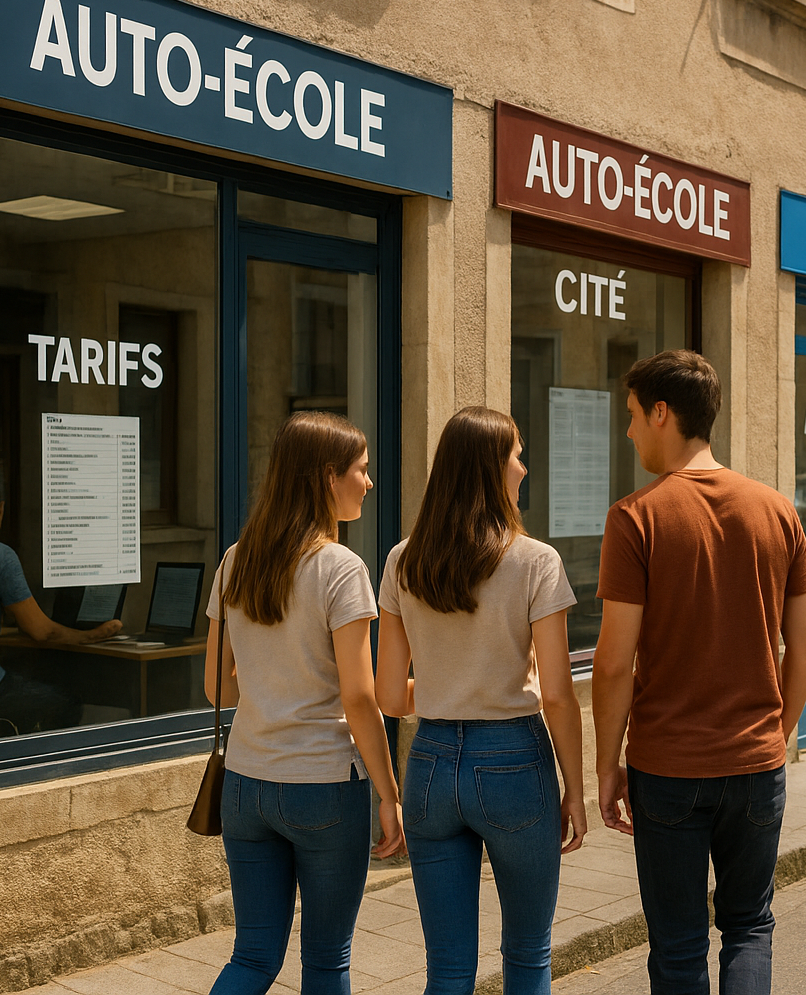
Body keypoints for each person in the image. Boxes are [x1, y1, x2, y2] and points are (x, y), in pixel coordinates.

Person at [592, 350, 806, 995]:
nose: (630, 430)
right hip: (756, 764)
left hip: (667, 769)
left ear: (663, 413)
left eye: (634, 415)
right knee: (749, 925)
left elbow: (613, 662)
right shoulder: (777, 510)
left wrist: (606, 765)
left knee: (677, 942)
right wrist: (777, 733)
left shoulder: (635, 516)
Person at [376, 406, 586, 995]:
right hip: (515, 762)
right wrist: (575, 787)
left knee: (446, 970)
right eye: (518, 455)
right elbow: (560, 697)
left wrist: (450, 686)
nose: (525, 466)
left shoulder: (402, 560)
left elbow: (390, 695)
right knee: (526, 956)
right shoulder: (535, 561)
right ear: (494, 467)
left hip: (432, 763)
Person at [204, 411, 403, 995]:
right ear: (326, 476)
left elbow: (218, 689)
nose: (368, 482)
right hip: (323, 787)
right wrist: (388, 794)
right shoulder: (341, 568)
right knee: (325, 961)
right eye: (361, 470)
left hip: (245, 783)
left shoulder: (236, 559)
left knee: (253, 956)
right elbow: (360, 699)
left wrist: (272, 680)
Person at [0, 483, 119, 735]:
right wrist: (92, 635)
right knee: (65, 703)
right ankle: (6, 759)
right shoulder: (0, 556)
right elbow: (40, 631)